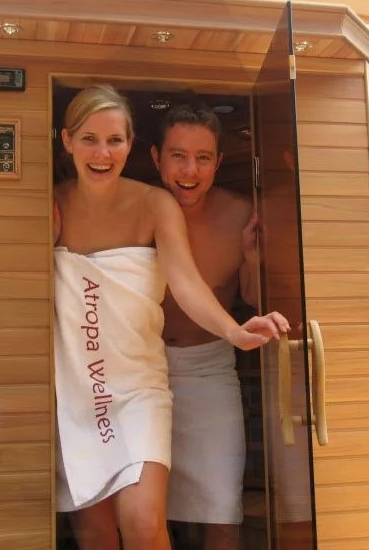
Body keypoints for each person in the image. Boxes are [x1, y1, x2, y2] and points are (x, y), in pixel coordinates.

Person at [52, 84, 288, 550]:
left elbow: (185, 282)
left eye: (114, 140)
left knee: (144, 522)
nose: (102, 153)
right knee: (96, 534)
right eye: (89, 139)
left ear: (130, 145)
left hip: (142, 382)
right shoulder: (50, 204)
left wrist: (234, 331)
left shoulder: (156, 205)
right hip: (78, 385)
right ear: (67, 141)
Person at [149, 103, 260, 550]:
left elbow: (254, 298)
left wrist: (252, 258)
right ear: (156, 157)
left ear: (218, 162)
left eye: (203, 157)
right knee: (144, 511)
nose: (189, 171)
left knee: (222, 506)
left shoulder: (240, 213)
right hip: (142, 370)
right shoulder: (136, 208)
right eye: (178, 155)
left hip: (210, 368)